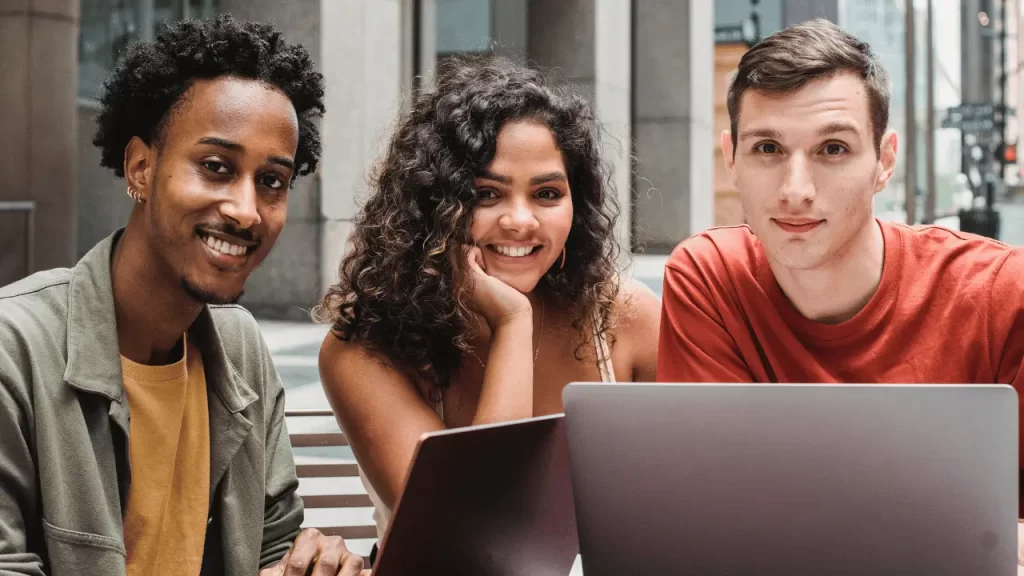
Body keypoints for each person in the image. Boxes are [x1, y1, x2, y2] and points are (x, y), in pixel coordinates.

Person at [0, 15, 365, 576]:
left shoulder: (238, 347)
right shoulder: (15, 350)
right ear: (141, 168)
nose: (246, 210)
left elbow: (272, 542)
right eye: (216, 167)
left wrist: (307, 563)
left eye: (272, 181)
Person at [656, 14, 1023, 553]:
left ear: (884, 162)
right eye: (768, 149)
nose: (795, 190)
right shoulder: (709, 278)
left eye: (833, 149)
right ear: (731, 157)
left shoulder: (1000, 292)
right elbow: (711, 515)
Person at [315, 54, 660, 562]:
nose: (521, 221)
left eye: (547, 193)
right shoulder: (366, 350)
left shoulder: (623, 317)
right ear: (434, 204)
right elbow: (479, 549)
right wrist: (511, 322)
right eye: (486, 194)